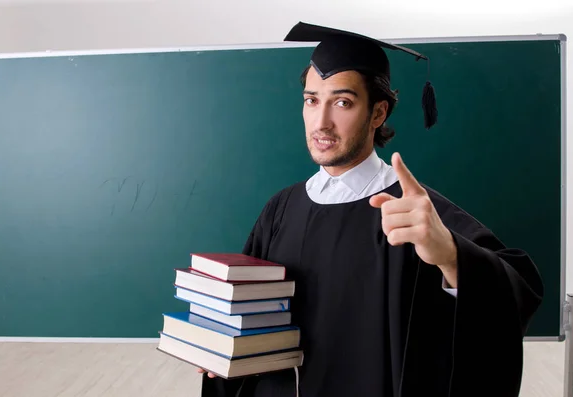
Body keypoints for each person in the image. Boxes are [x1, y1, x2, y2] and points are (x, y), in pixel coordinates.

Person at [198, 22, 544, 397]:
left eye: (342, 102)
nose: (321, 121)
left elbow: (519, 289)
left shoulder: (415, 213)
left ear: (378, 114)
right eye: (312, 100)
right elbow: (244, 312)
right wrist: (218, 342)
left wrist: (450, 256)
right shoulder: (281, 209)